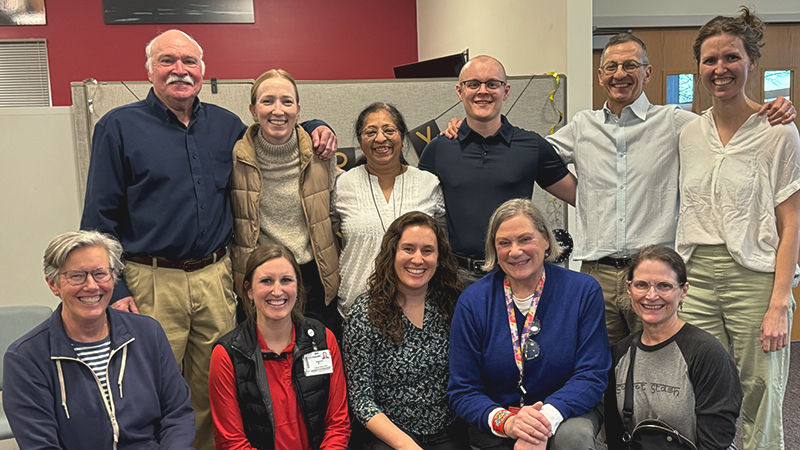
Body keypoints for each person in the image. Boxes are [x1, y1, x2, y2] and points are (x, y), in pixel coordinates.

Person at [80, 30, 336, 449]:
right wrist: (117, 287)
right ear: (149, 70)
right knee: (146, 388)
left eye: (189, 61)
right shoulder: (118, 127)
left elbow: (276, 130)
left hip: (217, 278)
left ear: (203, 70)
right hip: (150, 280)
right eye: (167, 61)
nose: (179, 70)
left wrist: (317, 125)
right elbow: (97, 222)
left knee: (212, 393)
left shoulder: (226, 126)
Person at [676, 8, 800, 450]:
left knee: (761, 390)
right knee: (698, 387)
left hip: (755, 274)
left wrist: (780, 303)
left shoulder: (779, 131)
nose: (719, 69)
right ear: (699, 67)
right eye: (710, 60)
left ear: (751, 62)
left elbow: (791, 222)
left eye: (731, 57)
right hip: (696, 277)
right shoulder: (689, 132)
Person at [3, 230, 195, 449]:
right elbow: (40, 445)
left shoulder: (148, 333)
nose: (92, 286)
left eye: (100, 274)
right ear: (53, 284)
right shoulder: (25, 358)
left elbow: (177, 415)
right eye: (76, 275)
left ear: (113, 278)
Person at [448, 199, 610, 450]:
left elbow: (592, 374)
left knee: (573, 438)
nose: (515, 251)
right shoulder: (473, 302)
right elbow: (463, 389)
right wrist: (509, 423)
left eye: (525, 239)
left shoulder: (583, 292)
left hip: (566, 413)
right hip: (500, 420)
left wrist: (541, 421)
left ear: (546, 240)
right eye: (504, 243)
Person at [418, 55, 576, 287]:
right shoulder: (439, 149)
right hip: (457, 279)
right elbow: (417, 211)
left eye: (492, 84)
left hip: (516, 273)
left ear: (506, 90)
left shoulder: (532, 146)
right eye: (473, 84)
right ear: (460, 91)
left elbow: (582, 199)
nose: (483, 91)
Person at [343, 212, 467, 450]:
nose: (417, 259)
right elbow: (361, 399)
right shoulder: (364, 313)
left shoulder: (454, 305)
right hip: (388, 434)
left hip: (448, 430)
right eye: (408, 249)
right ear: (392, 254)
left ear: (439, 258)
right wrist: (404, 444)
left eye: (427, 250)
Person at [230, 68, 341, 335]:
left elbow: (337, 212)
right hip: (261, 278)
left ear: (298, 110)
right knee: (265, 364)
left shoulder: (321, 155)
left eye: (287, 101)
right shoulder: (234, 157)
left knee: (317, 363)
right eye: (267, 101)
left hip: (315, 278)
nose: (278, 110)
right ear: (253, 110)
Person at [208, 244, 350, 449]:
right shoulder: (227, 355)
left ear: (297, 287)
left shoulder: (323, 340)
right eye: (266, 281)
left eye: (286, 280)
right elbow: (231, 442)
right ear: (248, 289)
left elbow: (338, 424)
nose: (277, 291)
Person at [604, 245, 742, 450]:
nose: (651, 295)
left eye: (664, 286)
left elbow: (716, 442)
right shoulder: (620, 354)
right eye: (641, 285)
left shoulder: (707, 354)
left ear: (683, 291)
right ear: (629, 289)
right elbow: (616, 439)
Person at [332, 103, 445, 317]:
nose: (380, 138)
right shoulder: (342, 185)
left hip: (421, 310)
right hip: (356, 311)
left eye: (389, 130)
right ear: (359, 140)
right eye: (370, 132)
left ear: (402, 136)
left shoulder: (428, 184)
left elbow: (442, 243)